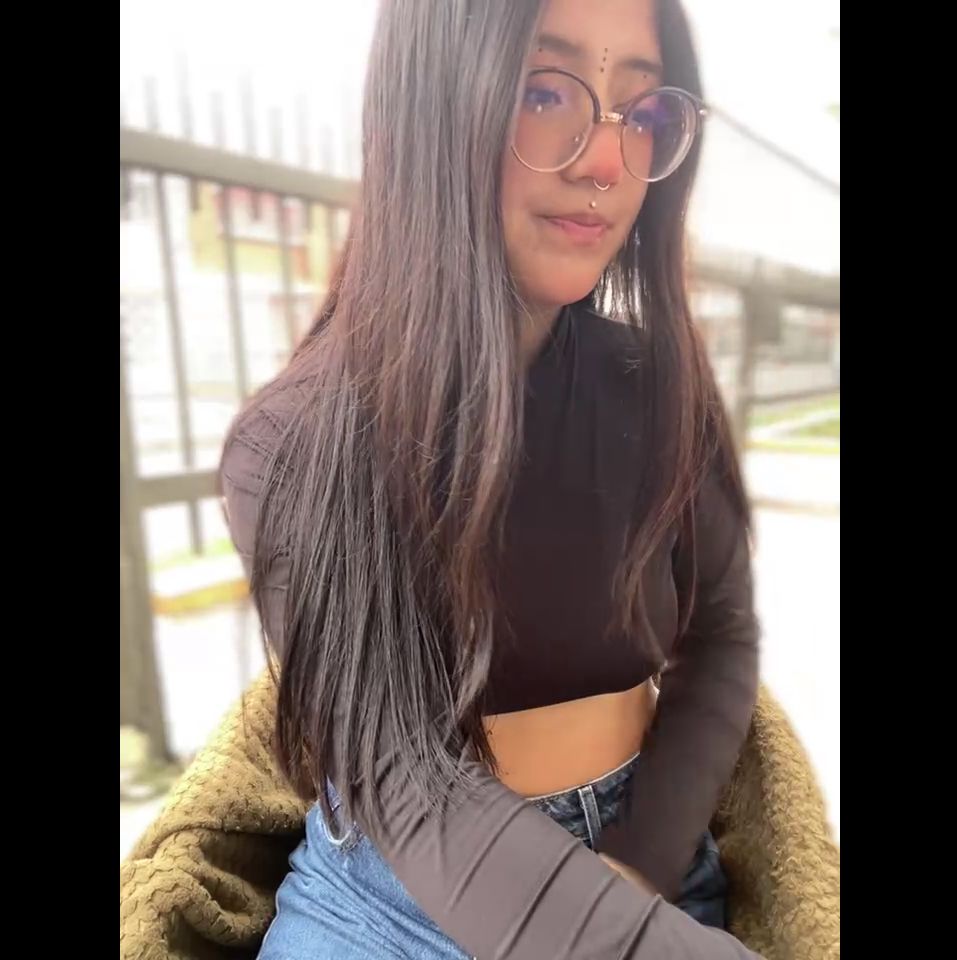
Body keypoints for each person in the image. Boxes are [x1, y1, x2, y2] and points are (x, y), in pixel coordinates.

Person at [220, 0, 761, 956]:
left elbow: (721, 637)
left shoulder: (658, 386)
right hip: (389, 898)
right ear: (429, 107)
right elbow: (406, 779)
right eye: (544, 93)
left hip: (647, 848)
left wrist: (641, 862)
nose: (608, 162)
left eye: (641, 113)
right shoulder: (291, 448)